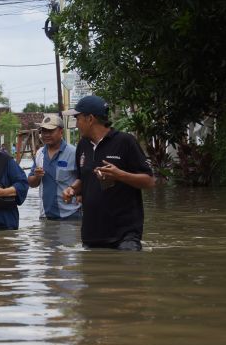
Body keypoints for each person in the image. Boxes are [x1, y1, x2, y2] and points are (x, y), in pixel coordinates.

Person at [61, 95, 155, 251]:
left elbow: (150, 181)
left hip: (124, 234)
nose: (76, 124)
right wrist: (72, 189)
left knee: (127, 272)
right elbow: (83, 179)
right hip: (92, 234)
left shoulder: (125, 142)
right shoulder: (83, 145)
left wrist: (119, 175)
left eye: (77, 118)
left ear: (90, 119)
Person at [28, 114, 82, 220]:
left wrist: (77, 192)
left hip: (70, 215)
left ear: (61, 131)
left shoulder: (74, 153)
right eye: (44, 131)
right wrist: (37, 176)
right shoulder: (40, 153)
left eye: (51, 131)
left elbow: (85, 179)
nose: (47, 135)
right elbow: (31, 183)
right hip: (45, 216)